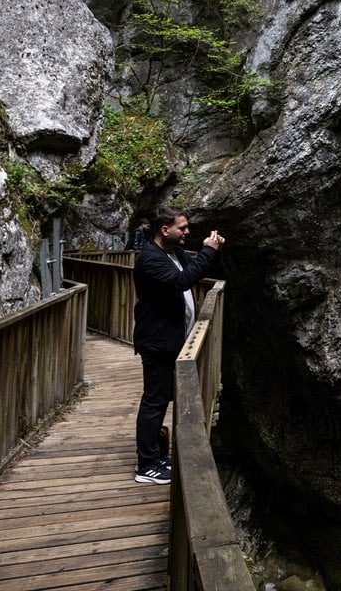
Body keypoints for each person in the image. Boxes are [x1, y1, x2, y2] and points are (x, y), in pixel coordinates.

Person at [132, 206, 224, 484]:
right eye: (182, 228)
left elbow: (197, 271)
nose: (187, 232)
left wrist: (213, 251)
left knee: (161, 399)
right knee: (154, 400)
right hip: (158, 341)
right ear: (165, 230)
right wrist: (208, 250)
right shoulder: (150, 258)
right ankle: (146, 465)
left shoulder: (174, 253)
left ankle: (156, 455)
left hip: (172, 339)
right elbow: (181, 281)